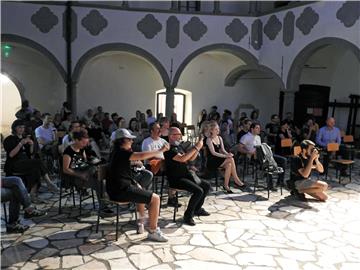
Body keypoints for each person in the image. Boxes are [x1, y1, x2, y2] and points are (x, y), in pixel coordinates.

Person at [107, 128, 169, 242]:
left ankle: (141, 221)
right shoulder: (121, 153)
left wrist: (135, 183)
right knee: (155, 199)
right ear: (123, 141)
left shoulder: (115, 153)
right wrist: (160, 150)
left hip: (117, 189)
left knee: (142, 192)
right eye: (130, 140)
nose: (132, 142)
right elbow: (141, 155)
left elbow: (124, 174)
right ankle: (153, 231)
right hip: (119, 191)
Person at [164, 127, 211, 226]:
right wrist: (196, 147)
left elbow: (189, 159)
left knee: (206, 185)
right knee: (198, 191)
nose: (180, 136)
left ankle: (197, 209)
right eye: (178, 135)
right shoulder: (168, 149)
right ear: (171, 136)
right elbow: (182, 159)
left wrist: (197, 149)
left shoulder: (179, 147)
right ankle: (188, 216)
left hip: (185, 175)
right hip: (176, 179)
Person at [3, 120, 59, 202]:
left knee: (36, 170)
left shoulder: (24, 138)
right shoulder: (9, 139)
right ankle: (49, 182)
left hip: (26, 163)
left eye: (23, 127)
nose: (21, 129)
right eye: (19, 127)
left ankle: (32, 195)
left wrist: (31, 144)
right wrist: (20, 144)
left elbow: (31, 153)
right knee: (38, 162)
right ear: (14, 128)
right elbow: (11, 155)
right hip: (14, 164)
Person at [142, 122, 180, 207]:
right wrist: (161, 153)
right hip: (151, 166)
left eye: (160, 128)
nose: (160, 130)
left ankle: (171, 198)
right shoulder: (146, 141)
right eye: (157, 128)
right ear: (152, 131)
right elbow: (149, 156)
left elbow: (170, 153)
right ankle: (148, 200)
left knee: (176, 172)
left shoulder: (163, 141)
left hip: (164, 165)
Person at [239, 123, 286, 189]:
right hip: (254, 156)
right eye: (257, 128)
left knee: (283, 160)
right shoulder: (246, 137)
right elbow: (240, 148)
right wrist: (248, 152)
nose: (259, 129)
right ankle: (270, 185)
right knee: (268, 163)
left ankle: (280, 182)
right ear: (252, 129)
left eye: (259, 128)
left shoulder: (258, 137)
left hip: (264, 155)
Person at [206, 121, 245, 193]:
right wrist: (226, 156)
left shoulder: (220, 138)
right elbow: (213, 153)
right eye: (216, 129)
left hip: (219, 159)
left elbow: (223, 150)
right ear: (211, 130)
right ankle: (236, 179)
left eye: (218, 129)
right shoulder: (209, 139)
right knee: (230, 159)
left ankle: (226, 185)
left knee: (229, 164)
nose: (218, 130)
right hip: (212, 161)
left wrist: (228, 154)